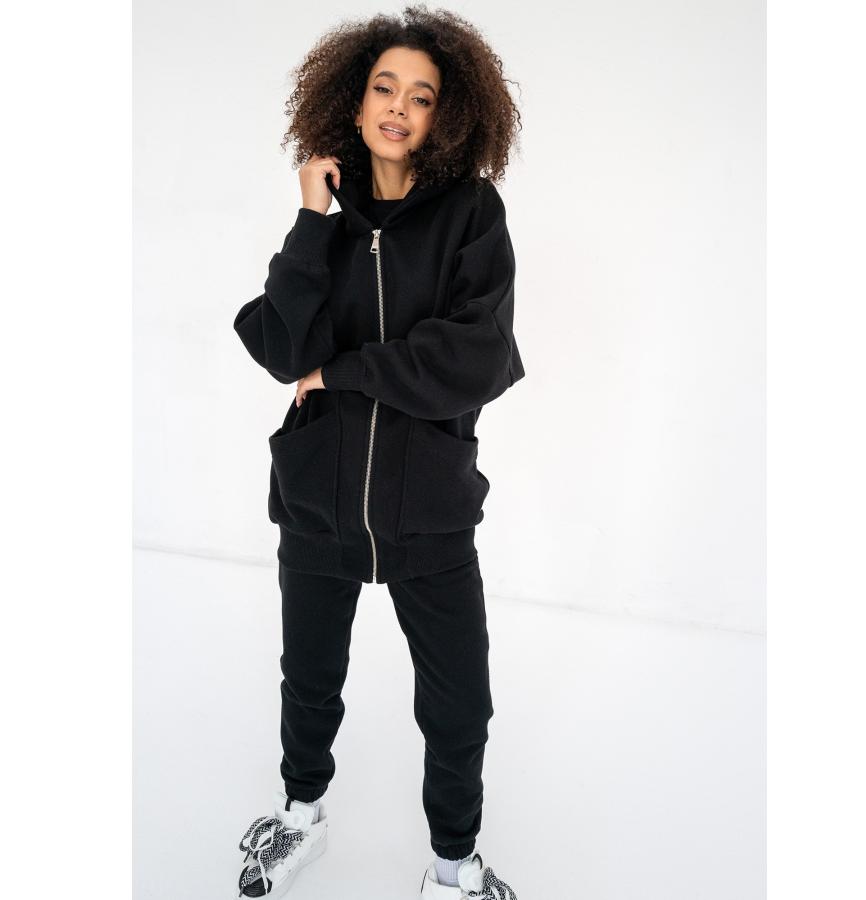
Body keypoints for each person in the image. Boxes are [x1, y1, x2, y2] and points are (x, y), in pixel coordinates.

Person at [232, 6, 524, 898]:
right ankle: (301, 816)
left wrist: (346, 371)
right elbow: (281, 347)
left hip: (428, 506)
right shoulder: (326, 221)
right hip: (317, 498)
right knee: (309, 678)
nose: (398, 107)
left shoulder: (471, 214)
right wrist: (309, 217)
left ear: (448, 115)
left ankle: (453, 866)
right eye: (383, 88)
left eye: (421, 96)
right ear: (353, 102)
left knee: (459, 701)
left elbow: (476, 358)